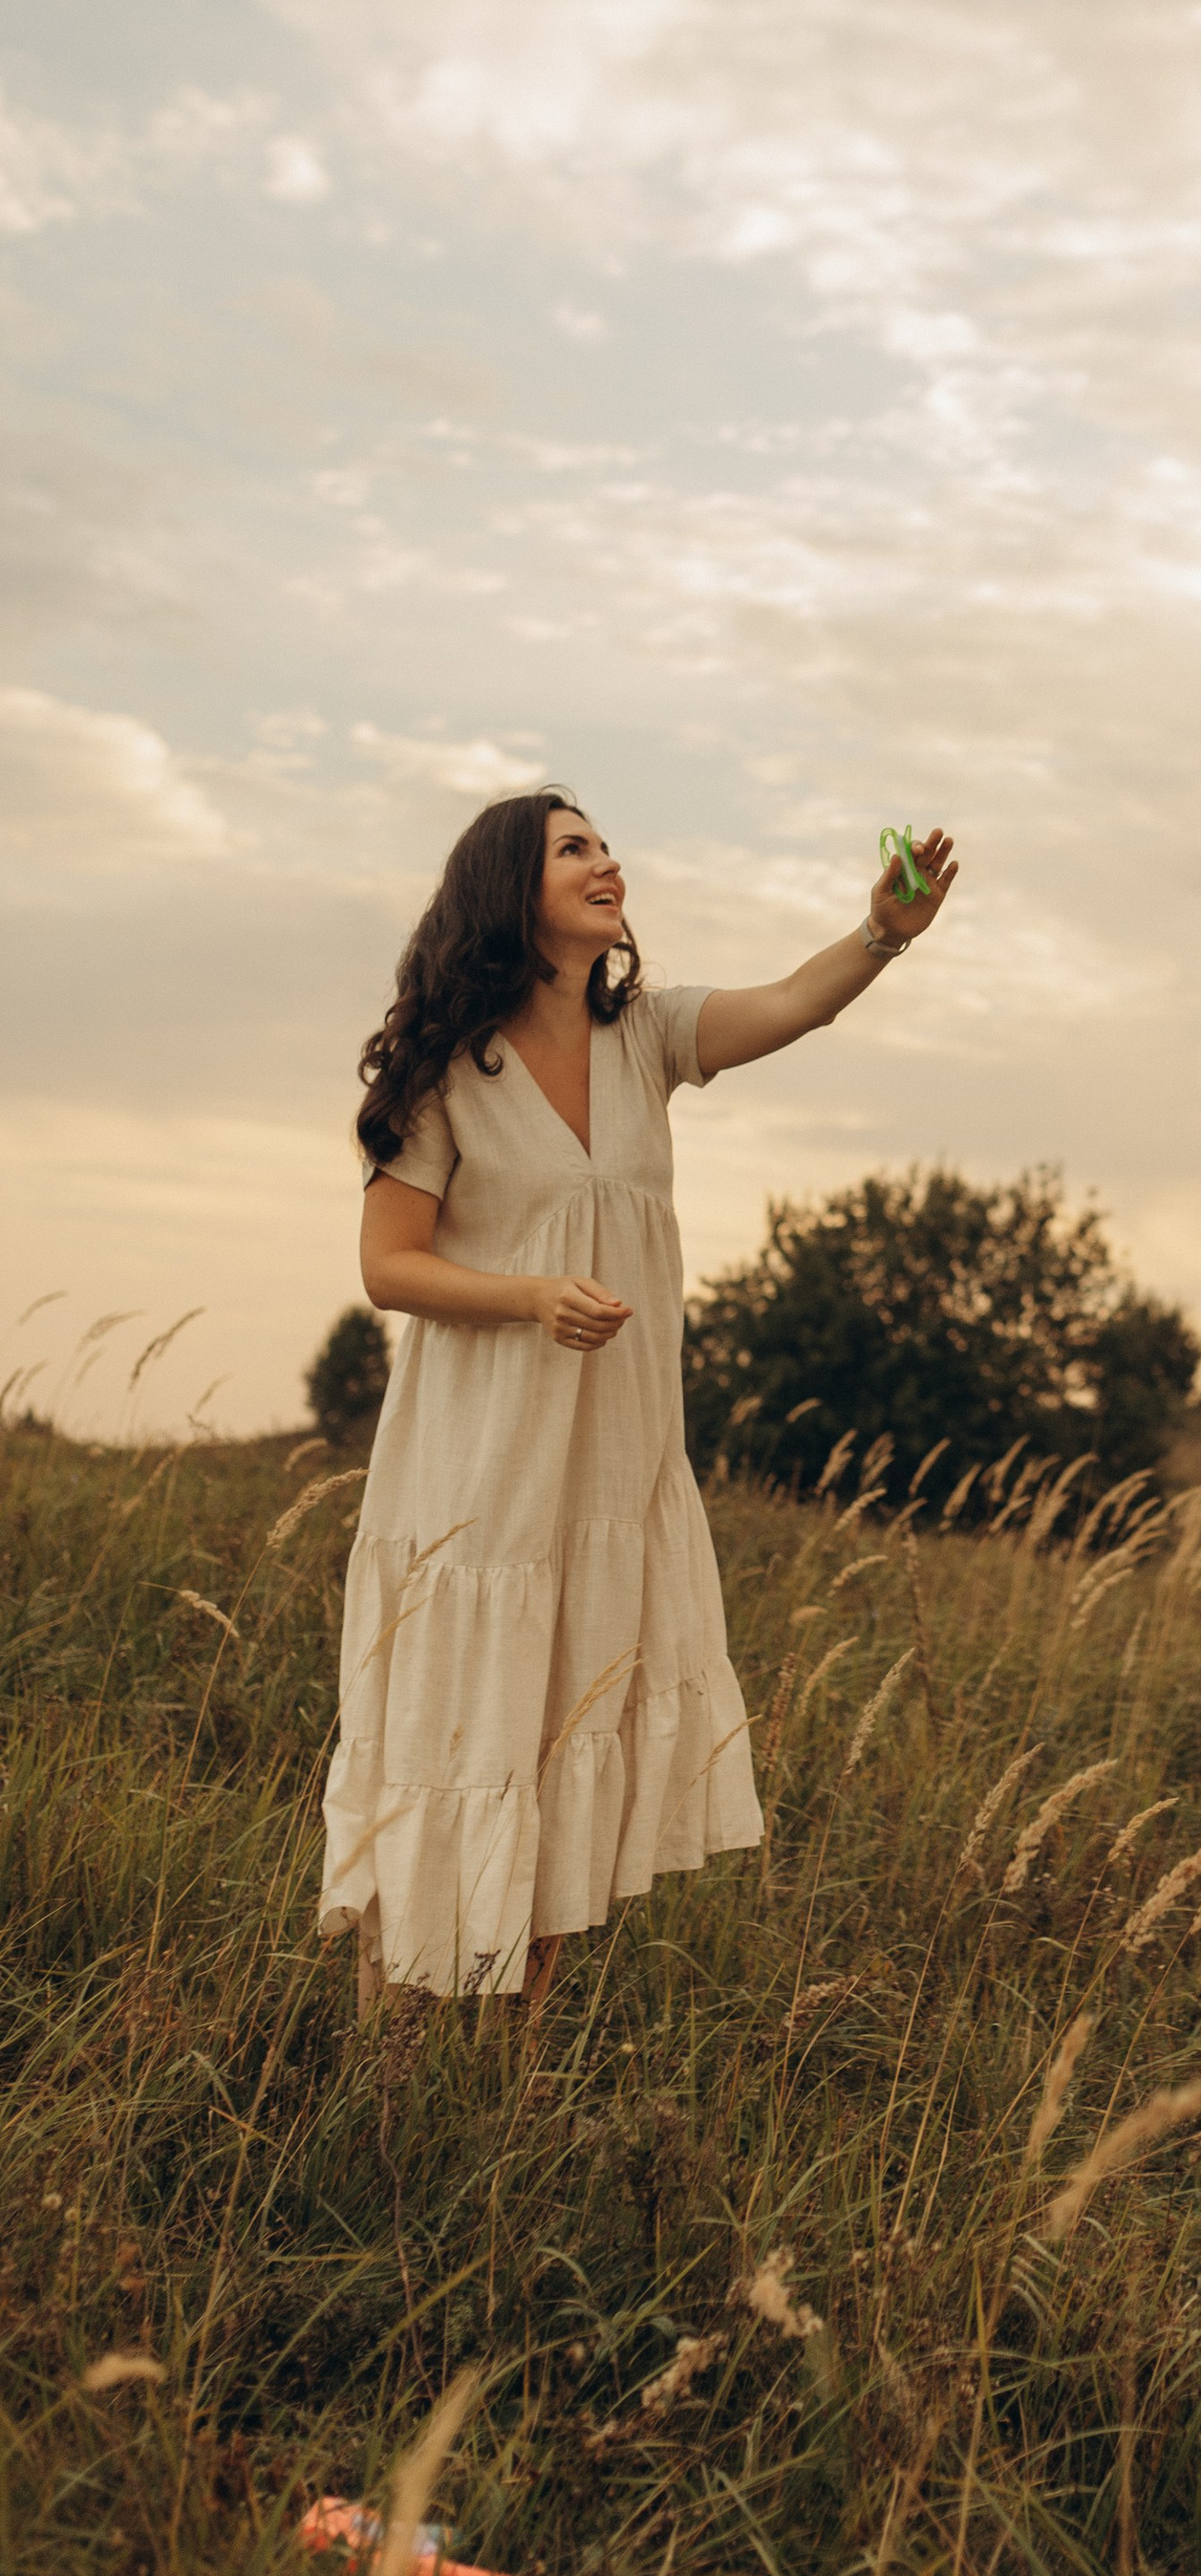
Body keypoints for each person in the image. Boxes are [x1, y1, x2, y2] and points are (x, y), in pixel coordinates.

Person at [321, 789, 957, 2007]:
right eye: (575, 851)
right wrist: (530, 1298)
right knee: (455, 1740)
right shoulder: (445, 1068)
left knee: (567, 1759)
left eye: (605, 845)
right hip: (481, 1466)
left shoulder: (647, 1037)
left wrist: (883, 934)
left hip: (610, 1469)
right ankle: (387, 2074)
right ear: (513, 889)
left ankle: (512, 2094)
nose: (608, 863)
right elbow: (386, 1266)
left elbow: (791, 1002)